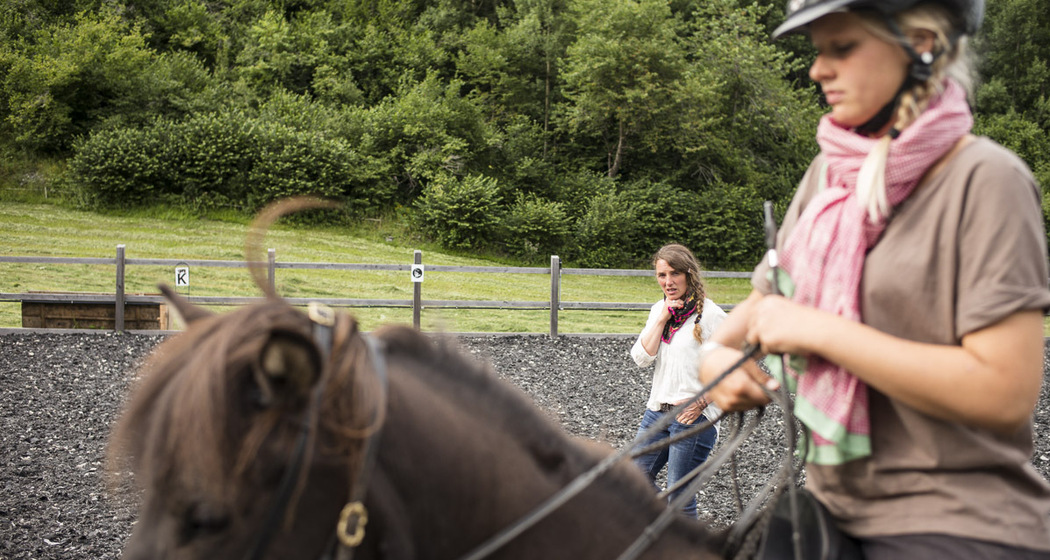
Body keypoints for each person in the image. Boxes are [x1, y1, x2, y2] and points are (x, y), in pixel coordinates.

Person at [697, 0, 1050, 557]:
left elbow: (1003, 392)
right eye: (818, 51)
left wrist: (820, 331)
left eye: (842, 48)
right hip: (831, 509)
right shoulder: (829, 174)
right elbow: (760, 309)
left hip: (959, 526)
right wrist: (715, 360)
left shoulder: (988, 180)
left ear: (922, 44)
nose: (817, 70)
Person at [630, 243, 726, 519]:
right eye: (662, 275)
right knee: (633, 479)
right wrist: (662, 317)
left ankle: (682, 538)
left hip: (693, 418)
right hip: (657, 411)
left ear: (688, 274)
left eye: (674, 274)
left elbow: (737, 363)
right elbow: (641, 358)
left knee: (680, 497)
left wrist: (701, 402)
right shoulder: (658, 310)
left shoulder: (711, 315)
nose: (668, 282)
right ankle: (670, 532)